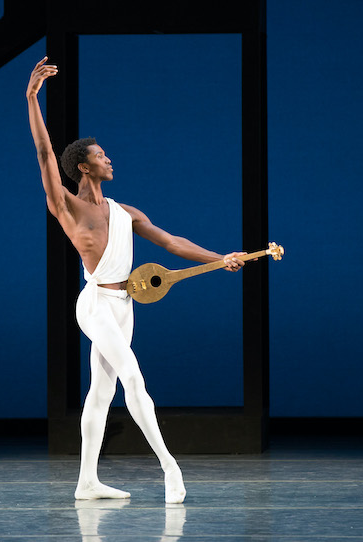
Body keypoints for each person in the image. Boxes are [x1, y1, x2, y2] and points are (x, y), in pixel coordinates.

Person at [26, 57, 245, 504]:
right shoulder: (66, 206)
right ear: (84, 167)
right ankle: (171, 468)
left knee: (101, 393)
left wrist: (221, 257)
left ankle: (87, 482)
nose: (109, 159)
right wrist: (32, 98)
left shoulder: (126, 212)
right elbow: (46, 155)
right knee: (133, 377)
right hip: (95, 305)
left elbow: (171, 242)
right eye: (101, 156)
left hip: (125, 306)